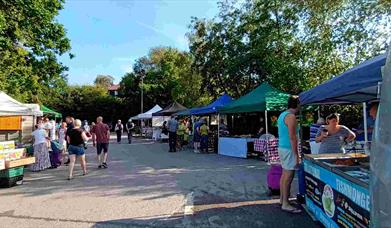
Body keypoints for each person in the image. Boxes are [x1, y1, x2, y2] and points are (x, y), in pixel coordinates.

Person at [277, 95, 301, 213]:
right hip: (288, 149)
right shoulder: (291, 117)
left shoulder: (282, 115)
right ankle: (285, 203)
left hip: (283, 148)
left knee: (284, 175)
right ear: (296, 104)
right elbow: (292, 137)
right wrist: (297, 155)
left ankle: (283, 199)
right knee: (288, 176)